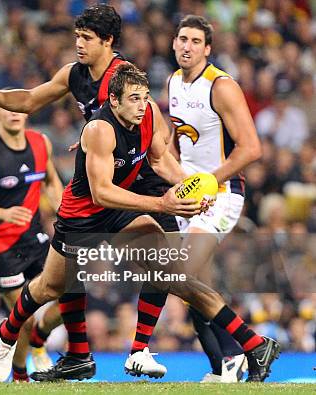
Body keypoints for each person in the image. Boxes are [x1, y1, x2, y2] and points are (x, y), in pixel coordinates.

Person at [0, 63, 280, 384]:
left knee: (170, 271)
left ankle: (253, 344)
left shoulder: (149, 113)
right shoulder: (99, 130)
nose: (142, 106)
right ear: (114, 101)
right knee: (50, 287)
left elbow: (159, 159)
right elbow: (100, 193)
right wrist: (161, 203)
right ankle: (7, 334)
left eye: (144, 98)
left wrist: (189, 188)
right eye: (134, 99)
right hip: (83, 215)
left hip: (123, 206)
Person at [0, 4, 178, 380]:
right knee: (56, 284)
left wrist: (188, 181)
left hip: (126, 184)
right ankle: (22, 336)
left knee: (166, 258)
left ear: (108, 42)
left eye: (86, 38)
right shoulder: (75, 74)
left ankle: (142, 349)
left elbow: (157, 137)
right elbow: (28, 100)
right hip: (95, 190)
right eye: (76, 36)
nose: (78, 43)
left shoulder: (124, 81)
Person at [127, 15, 272, 383]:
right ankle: (229, 364)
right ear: (173, 43)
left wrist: (208, 183)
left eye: (194, 40)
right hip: (190, 195)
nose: (186, 46)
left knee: (179, 271)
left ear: (207, 48)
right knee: (195, 289)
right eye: (181, 39)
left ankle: (251, 347)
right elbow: (180, 141)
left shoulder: (220, 86)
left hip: (222, 194)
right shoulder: (174, 81)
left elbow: (251, 148)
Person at [0, 104, 64, 381]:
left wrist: (65, 212)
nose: (14, 113)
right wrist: (3, 213)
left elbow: (51, 180)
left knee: (73, 297)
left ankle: (40, 340)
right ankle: (19, 376)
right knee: (25, 319)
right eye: (7, 108)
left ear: (26, 113)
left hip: (36, 240)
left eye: (19, 108)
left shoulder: (41, 143)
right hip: (2, 248)